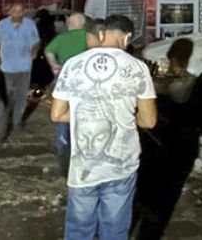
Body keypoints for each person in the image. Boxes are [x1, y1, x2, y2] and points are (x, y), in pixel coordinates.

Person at [52, 15, 157, 240]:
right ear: (127, 37)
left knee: (79, 230)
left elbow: (57, 113)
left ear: (102, 34)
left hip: (83, 167)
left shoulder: (73, 64)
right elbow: (149, 121)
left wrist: (87, 112)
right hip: (121, 164)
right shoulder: (138, 68)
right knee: (115, 230)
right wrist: (122, 117)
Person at [133, 38, 202, 240]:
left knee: (137, 203)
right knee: (161, 209)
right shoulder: (201, 89)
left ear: (169, 57)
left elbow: (139, 117)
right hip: (179, 158)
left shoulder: (157, 85)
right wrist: (189, 128)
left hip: (150, 155)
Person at [45, 13, 90, 175]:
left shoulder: (61, 38)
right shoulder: (89, 37)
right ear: (83, 24)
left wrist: (54, 65)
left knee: (62, 115)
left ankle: (62, 146)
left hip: (65, 82)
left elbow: (48, 51)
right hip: (86, 84)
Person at [0, 1, 40, 141]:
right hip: (7, 68)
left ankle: (17, 126)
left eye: (20, 11)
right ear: (9, 11)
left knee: (20, 99)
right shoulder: (3, 25)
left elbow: (36, 41)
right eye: (14, 10)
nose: (17, 13)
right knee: (4, 99)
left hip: (24, 67)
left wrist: (34, 50)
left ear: (24, 12)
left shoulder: (30, 25)